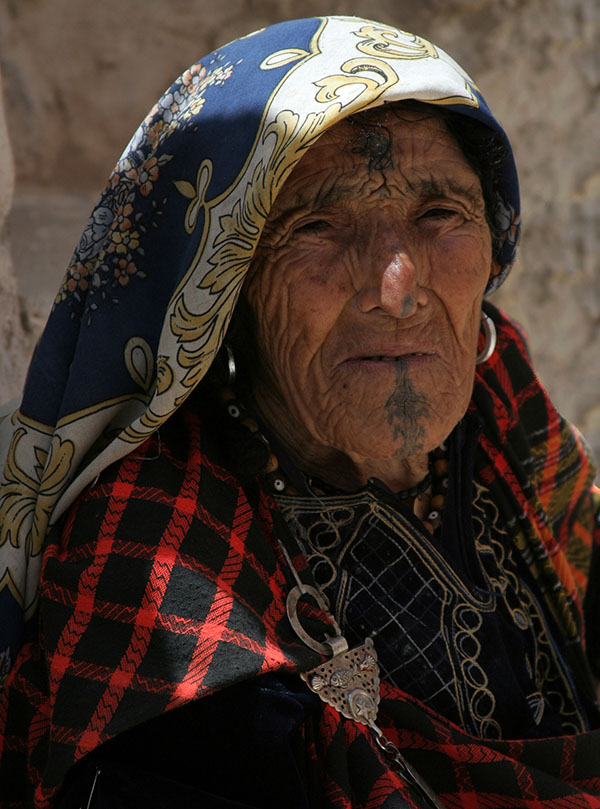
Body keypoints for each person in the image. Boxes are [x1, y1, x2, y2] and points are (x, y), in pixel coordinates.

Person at [0, 15, 598, 809]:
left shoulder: (503, 405)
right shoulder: (154, 572)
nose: (399, 285)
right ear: (225, 291)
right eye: (317, 225)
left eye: (440, 214)